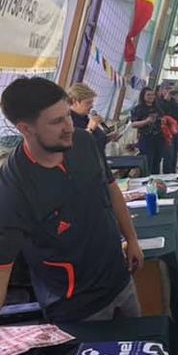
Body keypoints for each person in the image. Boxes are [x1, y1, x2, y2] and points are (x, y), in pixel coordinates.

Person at [0, 78, 144, 331]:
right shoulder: (13, 186)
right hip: (75, 307)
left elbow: (110, 188)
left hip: (119, 279)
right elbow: (3, 266)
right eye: (56, 121)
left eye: (67, 115)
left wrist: (132, 239)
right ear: (25, 128)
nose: (68, 127)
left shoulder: (84, 142)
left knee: (140, 346)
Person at [67, 83, 107, 158]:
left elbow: (95, 142)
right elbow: (77, 147)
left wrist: (108, 138)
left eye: (92, 102)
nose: (92, 106)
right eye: (88, 103)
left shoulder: (85, 118)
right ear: (74, 102)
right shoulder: (68, 122)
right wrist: (90, 129)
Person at [131, 87, 163, 174]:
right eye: (148, 95)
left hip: (158, 138)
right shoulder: (138, 109)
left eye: (152, 94)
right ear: (143, 96)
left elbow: (162, 118)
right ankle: (148, 180)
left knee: (157, 161)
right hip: (146, 139)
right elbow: (133, 124)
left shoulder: (157, 108)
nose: (151, 97)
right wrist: (146, 121)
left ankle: (156, 179)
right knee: (148, 162)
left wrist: (163, 121)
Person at [162, 89, 178, 174]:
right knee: (169, 154)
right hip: (168, 133)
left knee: (175, 153)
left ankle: (173, 171)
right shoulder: (163, 104)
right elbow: (165, 112)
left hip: (177, 132)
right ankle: (167, 173)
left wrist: (177, 104)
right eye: (175, 95)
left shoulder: (177, 105)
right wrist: (166, 100)